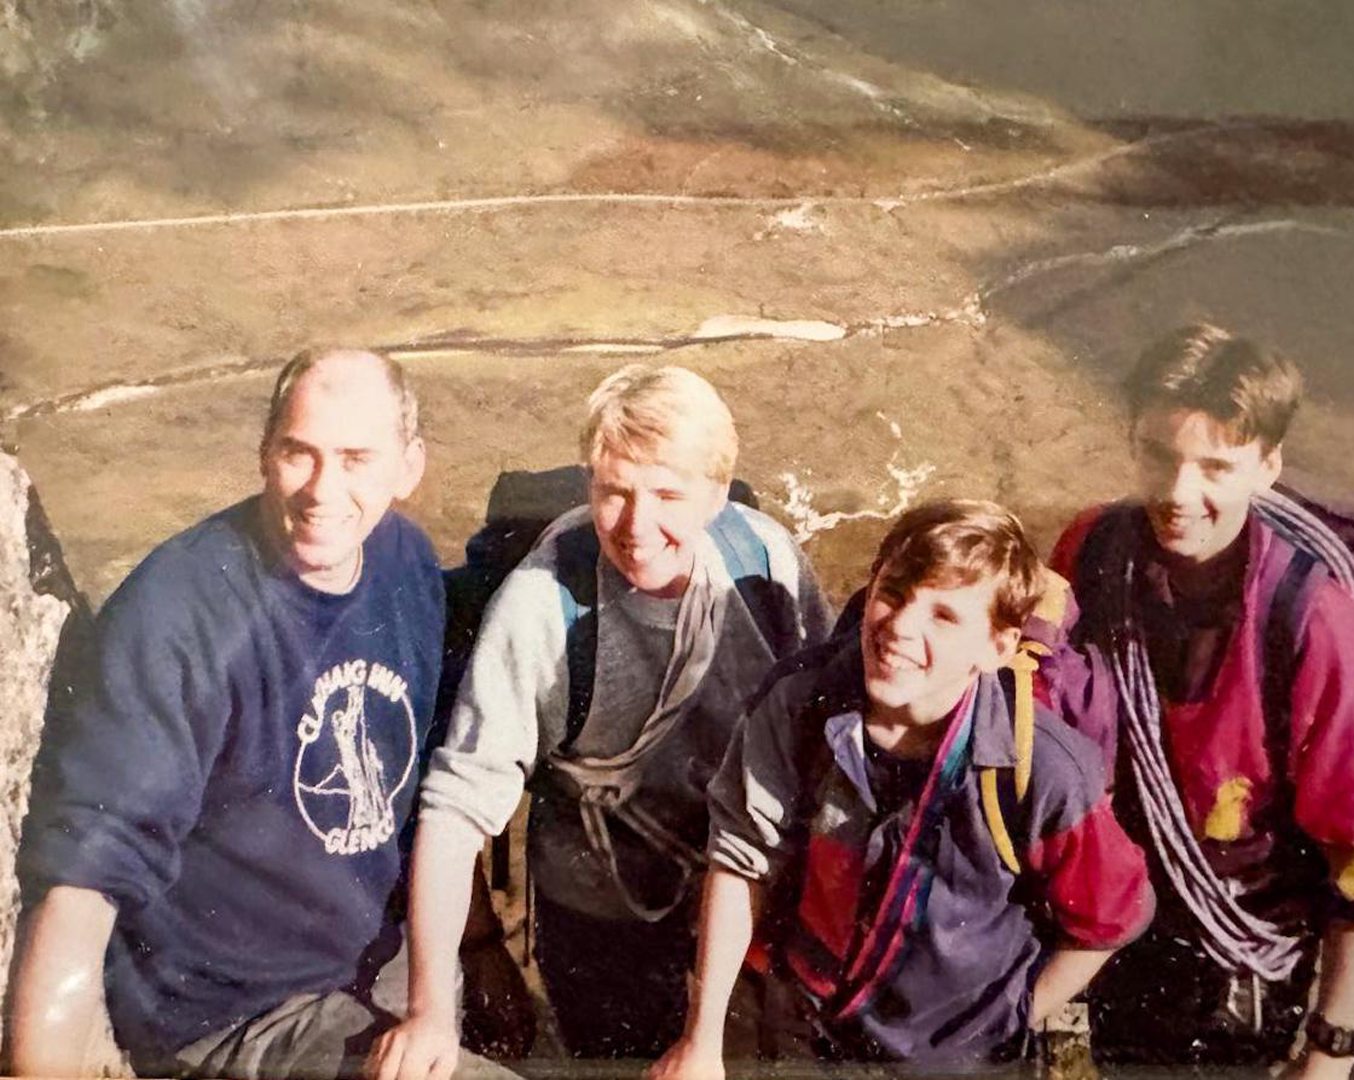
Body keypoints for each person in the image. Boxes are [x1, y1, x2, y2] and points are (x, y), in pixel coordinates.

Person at [8, 349, 511, 1080]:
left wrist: (476, 951)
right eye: (298, 454)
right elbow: (87, 878)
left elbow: (418, 788)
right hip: (232, 1014)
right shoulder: (184, 617)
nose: (322, 489)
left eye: (355, 458)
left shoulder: (402, 563)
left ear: (408, 468)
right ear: (263, 454)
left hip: (370, 959)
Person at [372, 364, 832, 1076]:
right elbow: (456, 807)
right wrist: (433, 1009)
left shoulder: (765, 563)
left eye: (667, 495)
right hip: (600, 912)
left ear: (716, 493)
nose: (635, 526)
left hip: (750, 898)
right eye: (612, 491)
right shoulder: (542, 604)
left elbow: (820, 728)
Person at [652, 499, 1153, 1078]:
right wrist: (702, 1041)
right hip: (806, 1024)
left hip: (954, 1055)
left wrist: (1010, 1016)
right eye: (893, 591)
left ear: (997, 646)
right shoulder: (797, 705)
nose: (900, 626)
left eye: (944, 616)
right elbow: (741, 861)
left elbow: (1110, 919)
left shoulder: (1042, 769)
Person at [1048, 324, 1354, 1076]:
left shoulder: (1311, 620)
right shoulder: (1090, 550)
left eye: (1216, 466)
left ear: (1268, 466)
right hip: (1124, 927)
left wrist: (1328, 1052)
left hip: (1250, 952)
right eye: (1158, 455)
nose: (1179, 495)